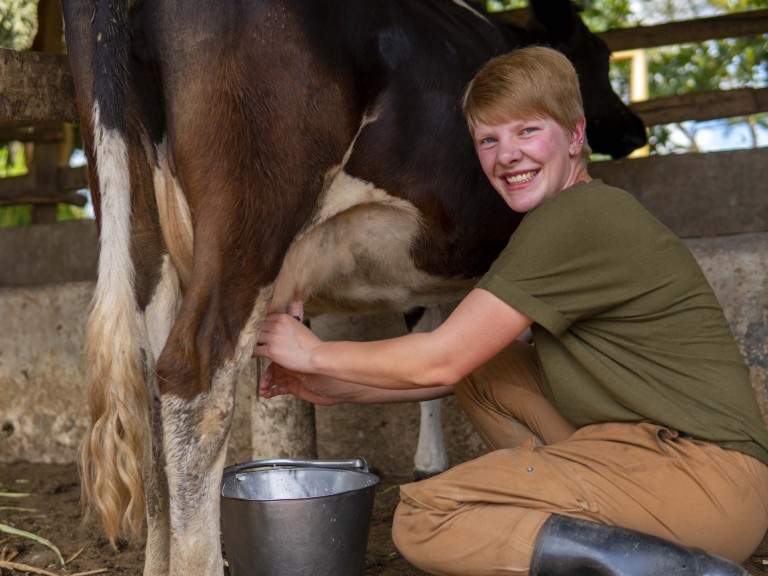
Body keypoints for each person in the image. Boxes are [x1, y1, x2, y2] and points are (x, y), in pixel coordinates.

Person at [252, 46, 768, 576]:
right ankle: (607, 542)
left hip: (701, 480)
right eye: (488, 140)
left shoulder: (578, 218)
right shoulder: (568, 216)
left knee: (425, 515)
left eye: (527, 132)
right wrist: (337, 384)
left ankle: (683, 572)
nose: (507, 156)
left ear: (574, 136)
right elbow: (461, 366)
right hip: (662, 463)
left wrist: (316, 352)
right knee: (489, 366)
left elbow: (440, 360)